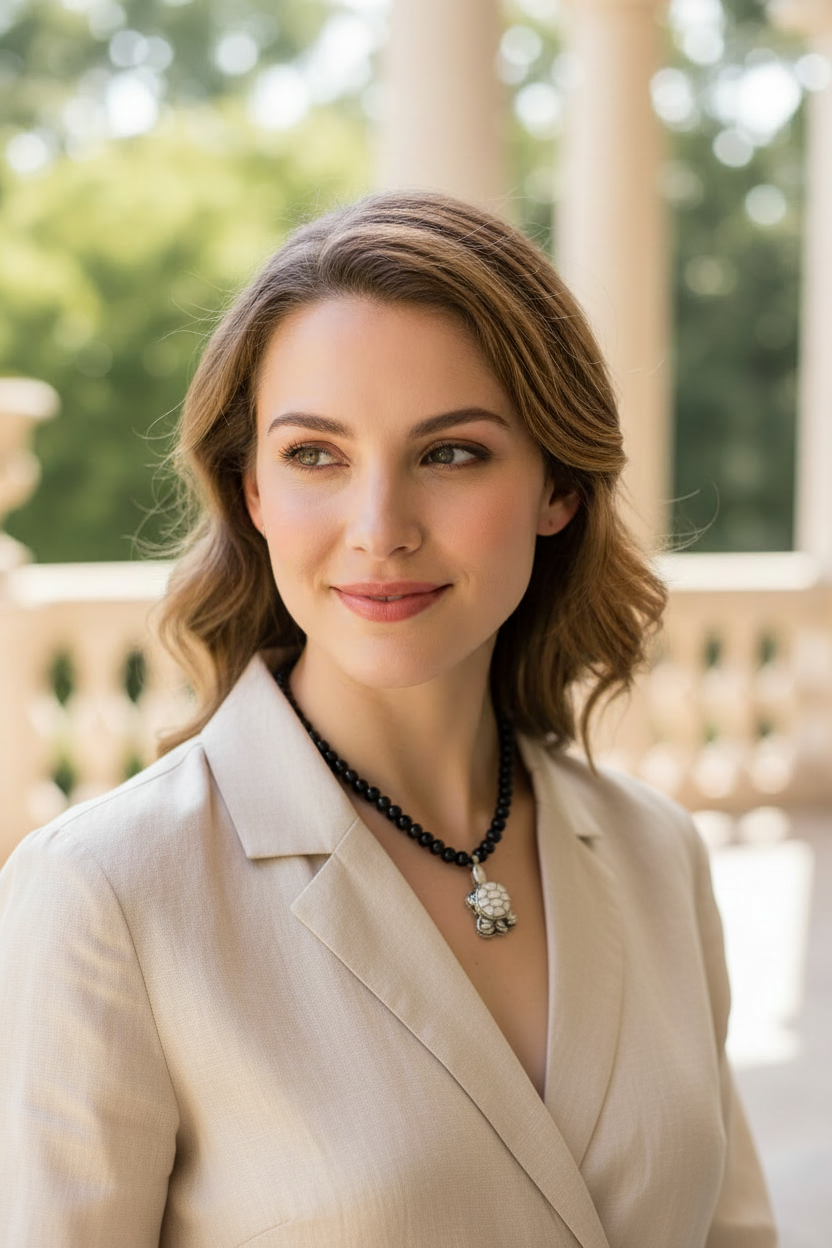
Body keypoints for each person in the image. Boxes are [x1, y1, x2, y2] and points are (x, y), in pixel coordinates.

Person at [0, 191, 777, 1247]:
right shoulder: (107, 895)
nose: (379, 531)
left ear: (557, 486)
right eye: (314, 455)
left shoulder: (656, 853)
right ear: (251, 494)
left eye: (450, 453)